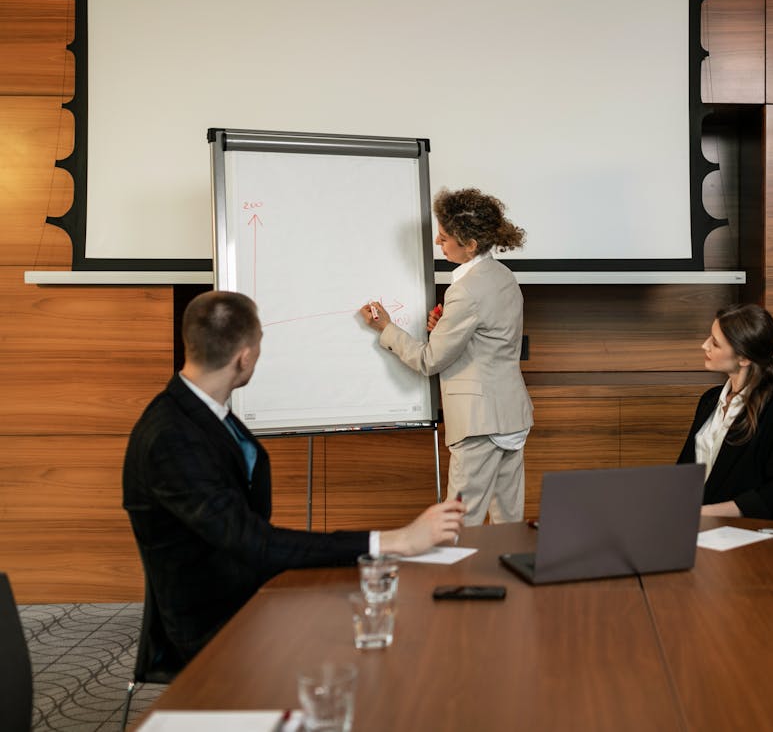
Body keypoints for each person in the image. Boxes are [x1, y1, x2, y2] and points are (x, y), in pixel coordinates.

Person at [123, 291, 464, 665]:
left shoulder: (203, 412)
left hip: (251, 587)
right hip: (214, 622)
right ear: (245, 356)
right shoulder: (171, 437)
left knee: (395, 615)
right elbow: (252, 541)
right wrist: (395, 540)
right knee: (386, 641)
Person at [362, 187, 533, 526]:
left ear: (469, 244)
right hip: (511, 416)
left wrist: (387, 329)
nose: (439, 244)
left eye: (444, 239)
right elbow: (490, 339)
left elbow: (429, 360)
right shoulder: (504, 277)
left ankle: (456, 581)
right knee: (509, 525)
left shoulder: (466, 290)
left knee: (458, 526)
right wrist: (445, 327)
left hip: (479, 421)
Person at [676, 304, 773, 518]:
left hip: (745, 534)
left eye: (715, 343)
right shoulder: (709, 400)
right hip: (693, 526)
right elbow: (684, 472)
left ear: (744, 358)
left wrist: (701, 513)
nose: (704, 345)